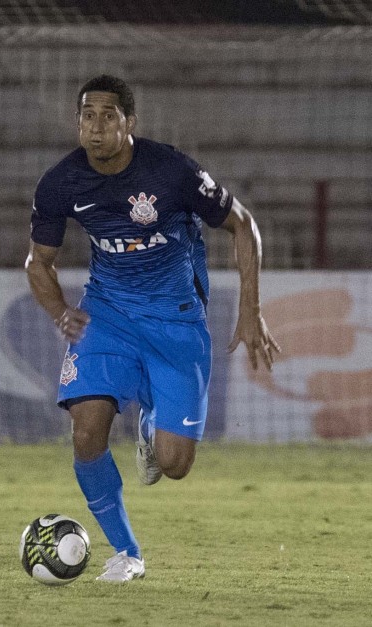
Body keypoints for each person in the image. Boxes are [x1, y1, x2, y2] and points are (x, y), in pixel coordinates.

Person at [26, 75, 280, 582]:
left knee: (175, 464)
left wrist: (250, 311)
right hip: (107, 316)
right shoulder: (61, 183)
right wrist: (59, 312)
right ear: (78, 123)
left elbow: (243, 225)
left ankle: (150, 424)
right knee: (86, 432)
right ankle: (127, 553)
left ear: (129, 123)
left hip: (175, 321)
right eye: (87, 115)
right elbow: (39, 262)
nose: (96, 126)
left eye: (108, 115)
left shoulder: (171, 171)